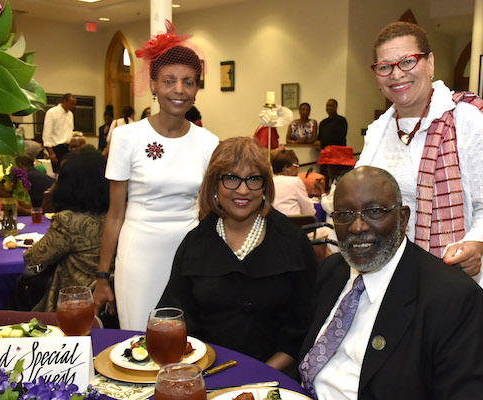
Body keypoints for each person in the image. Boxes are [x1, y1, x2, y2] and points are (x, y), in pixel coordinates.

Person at [355, 21, 483, 392]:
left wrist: (476, 243)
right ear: (377, 75)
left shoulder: (467, 122)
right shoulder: (377, 133)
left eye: (407, 61)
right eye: (385, 66)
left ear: (429, 63)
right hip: (392, 288)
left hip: (459, 286)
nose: (396, 74)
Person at [298, 166, 483, 399]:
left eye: (374, 211)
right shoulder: (333, 271)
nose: (357, 227)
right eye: (344, 215)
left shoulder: (453, 298)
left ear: (403, 217)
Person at [93, 24, 219, 331]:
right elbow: (114, 214)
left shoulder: (209, 142)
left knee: (184, 341)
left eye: (189, 82)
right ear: (152, 84)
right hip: (140, 254)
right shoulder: (127, 137)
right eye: (169, 81)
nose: (179, 90)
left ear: (197, 88)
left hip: (189, 254)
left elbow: (209, 210)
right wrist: (101, 276)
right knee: (139, 336)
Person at [157, 137, 317, 372]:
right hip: (205, 372)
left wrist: (259, 372)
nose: (243, 190)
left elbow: (307, 324)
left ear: (265, 185)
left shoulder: (292, 241)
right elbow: (176, 317)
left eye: (253, 179)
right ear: (214, 185)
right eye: (231, 178)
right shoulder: (194, 244)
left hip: (278, 374)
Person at [23, 151, 109, 312]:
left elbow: (33, 257)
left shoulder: (68, 221)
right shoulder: (118, 216)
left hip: (76, 302)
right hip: (112, 298)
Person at [271, 149, 316, 216]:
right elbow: (309, 212)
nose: (297, 170)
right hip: (293, 223)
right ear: (285, 167)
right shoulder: (295, 181)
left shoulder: (270, 181)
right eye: (296, 166)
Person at [42, 93, 76, 173]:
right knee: (58, 173)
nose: (73, 106)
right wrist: (51, 153)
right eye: (72, 103)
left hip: (68, 147)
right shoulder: (52, 112)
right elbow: (46, 134)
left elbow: (69, 131)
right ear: (65, 101)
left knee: (68, 172)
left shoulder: (70, 114)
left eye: (74, 104)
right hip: (56, 147)